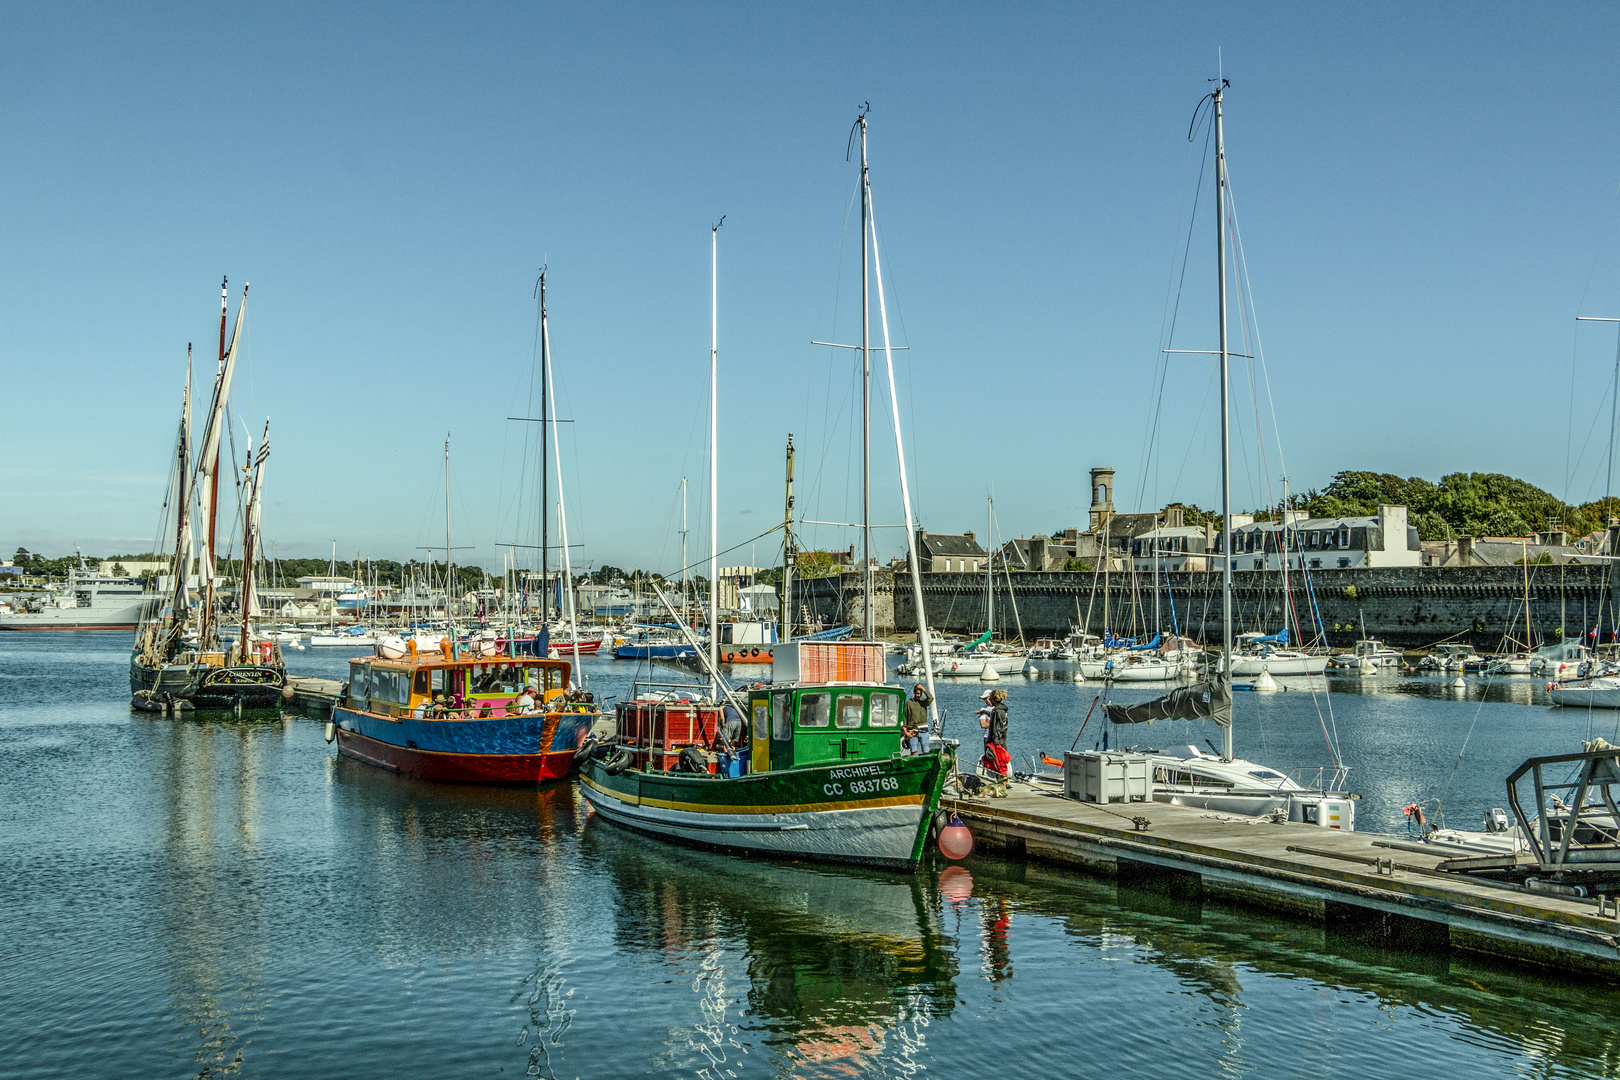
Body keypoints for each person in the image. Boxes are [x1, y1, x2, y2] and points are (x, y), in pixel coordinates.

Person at [980, 688, 1010, 777]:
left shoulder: (997, 711)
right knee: (1001, 762)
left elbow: (997, 729)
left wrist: (995, 744)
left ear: (993, 699)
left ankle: (1001, 782)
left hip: (996, 743)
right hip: (1003, 741)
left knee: (997, 762)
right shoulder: (1003, 710)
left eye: (990, 699)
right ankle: (1000, 780)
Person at [903, 684, 933, 754]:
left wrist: (924, 689)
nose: (918, 695)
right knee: (913, 751)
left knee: (925, 751)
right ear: (914, 692)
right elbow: (905, 717)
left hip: (924, 730)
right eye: (917, 693)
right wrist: (906, 731)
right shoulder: (909, 703)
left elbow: (930, 698)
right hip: (912, 731)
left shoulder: (923, 701)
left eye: (920, 694)